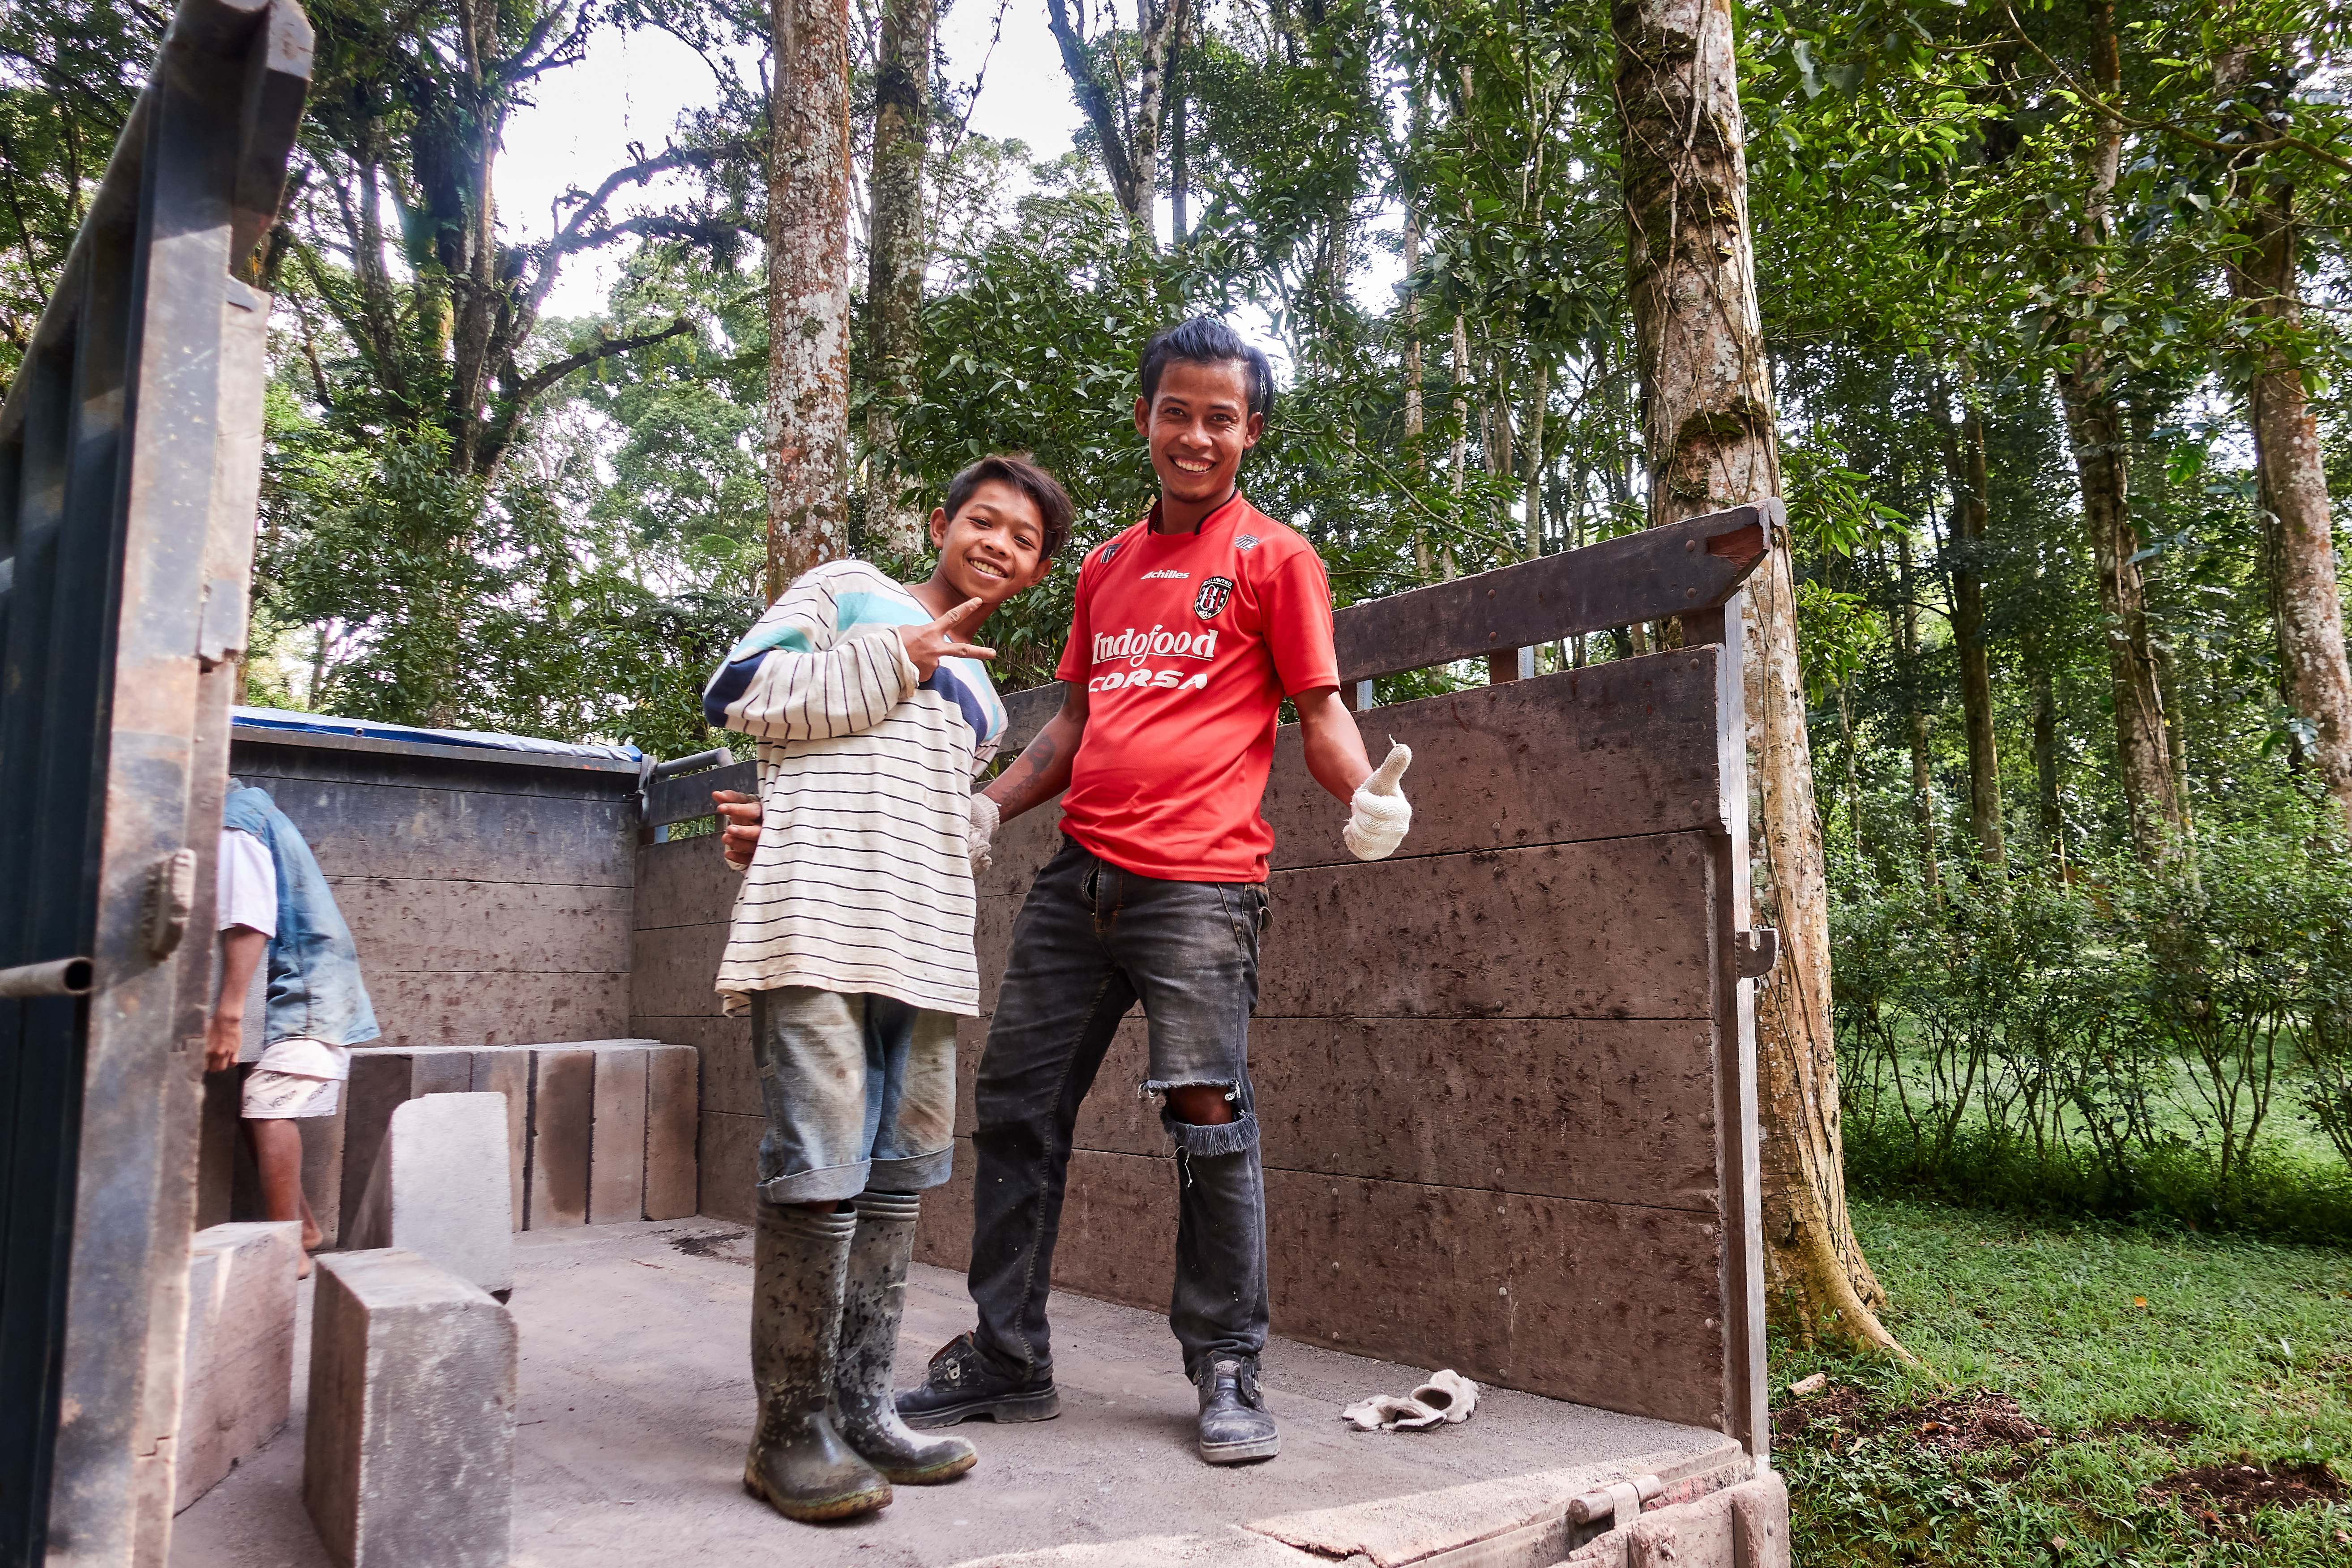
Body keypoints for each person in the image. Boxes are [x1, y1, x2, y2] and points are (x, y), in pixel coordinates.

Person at [725, 318, 1415, 1466]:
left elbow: (1319, 710)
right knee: (1014, 1105)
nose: (1196, 434)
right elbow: (1075, 725)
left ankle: (1227, 1365)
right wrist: (989, 807)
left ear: (1250, 432)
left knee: (1208, 1110)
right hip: (1077, 873)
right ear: (1146, 416)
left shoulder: (1275, 559)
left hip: (1198, 884)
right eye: (1175, 411)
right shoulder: (1101, 566)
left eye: (1221, 417)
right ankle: (1007, 1354)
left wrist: (1362, 795)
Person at [701, 454, 1071, 1524]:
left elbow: (915, 803)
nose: (997, 544)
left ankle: (864, 1407)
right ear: (939, 521)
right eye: (983, 521)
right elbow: (743, 696)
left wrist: (976, 818)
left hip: (920, 948)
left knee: (900, 1175)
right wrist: (895, 656)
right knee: (817, 1170)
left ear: (1036, 569)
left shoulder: (986, 697)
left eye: (1022, 540)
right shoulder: (843, 591)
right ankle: (788, 1432)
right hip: (815, 931)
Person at [205, 782, 383, 1280]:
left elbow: (249, 923)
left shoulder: (235, 824)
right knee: (255, 1105)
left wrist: (228, 1016)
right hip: (297, 982)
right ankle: (302, 1228)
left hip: (307, 986)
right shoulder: (244, 813)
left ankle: (290, 1252)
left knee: (269, 1109)